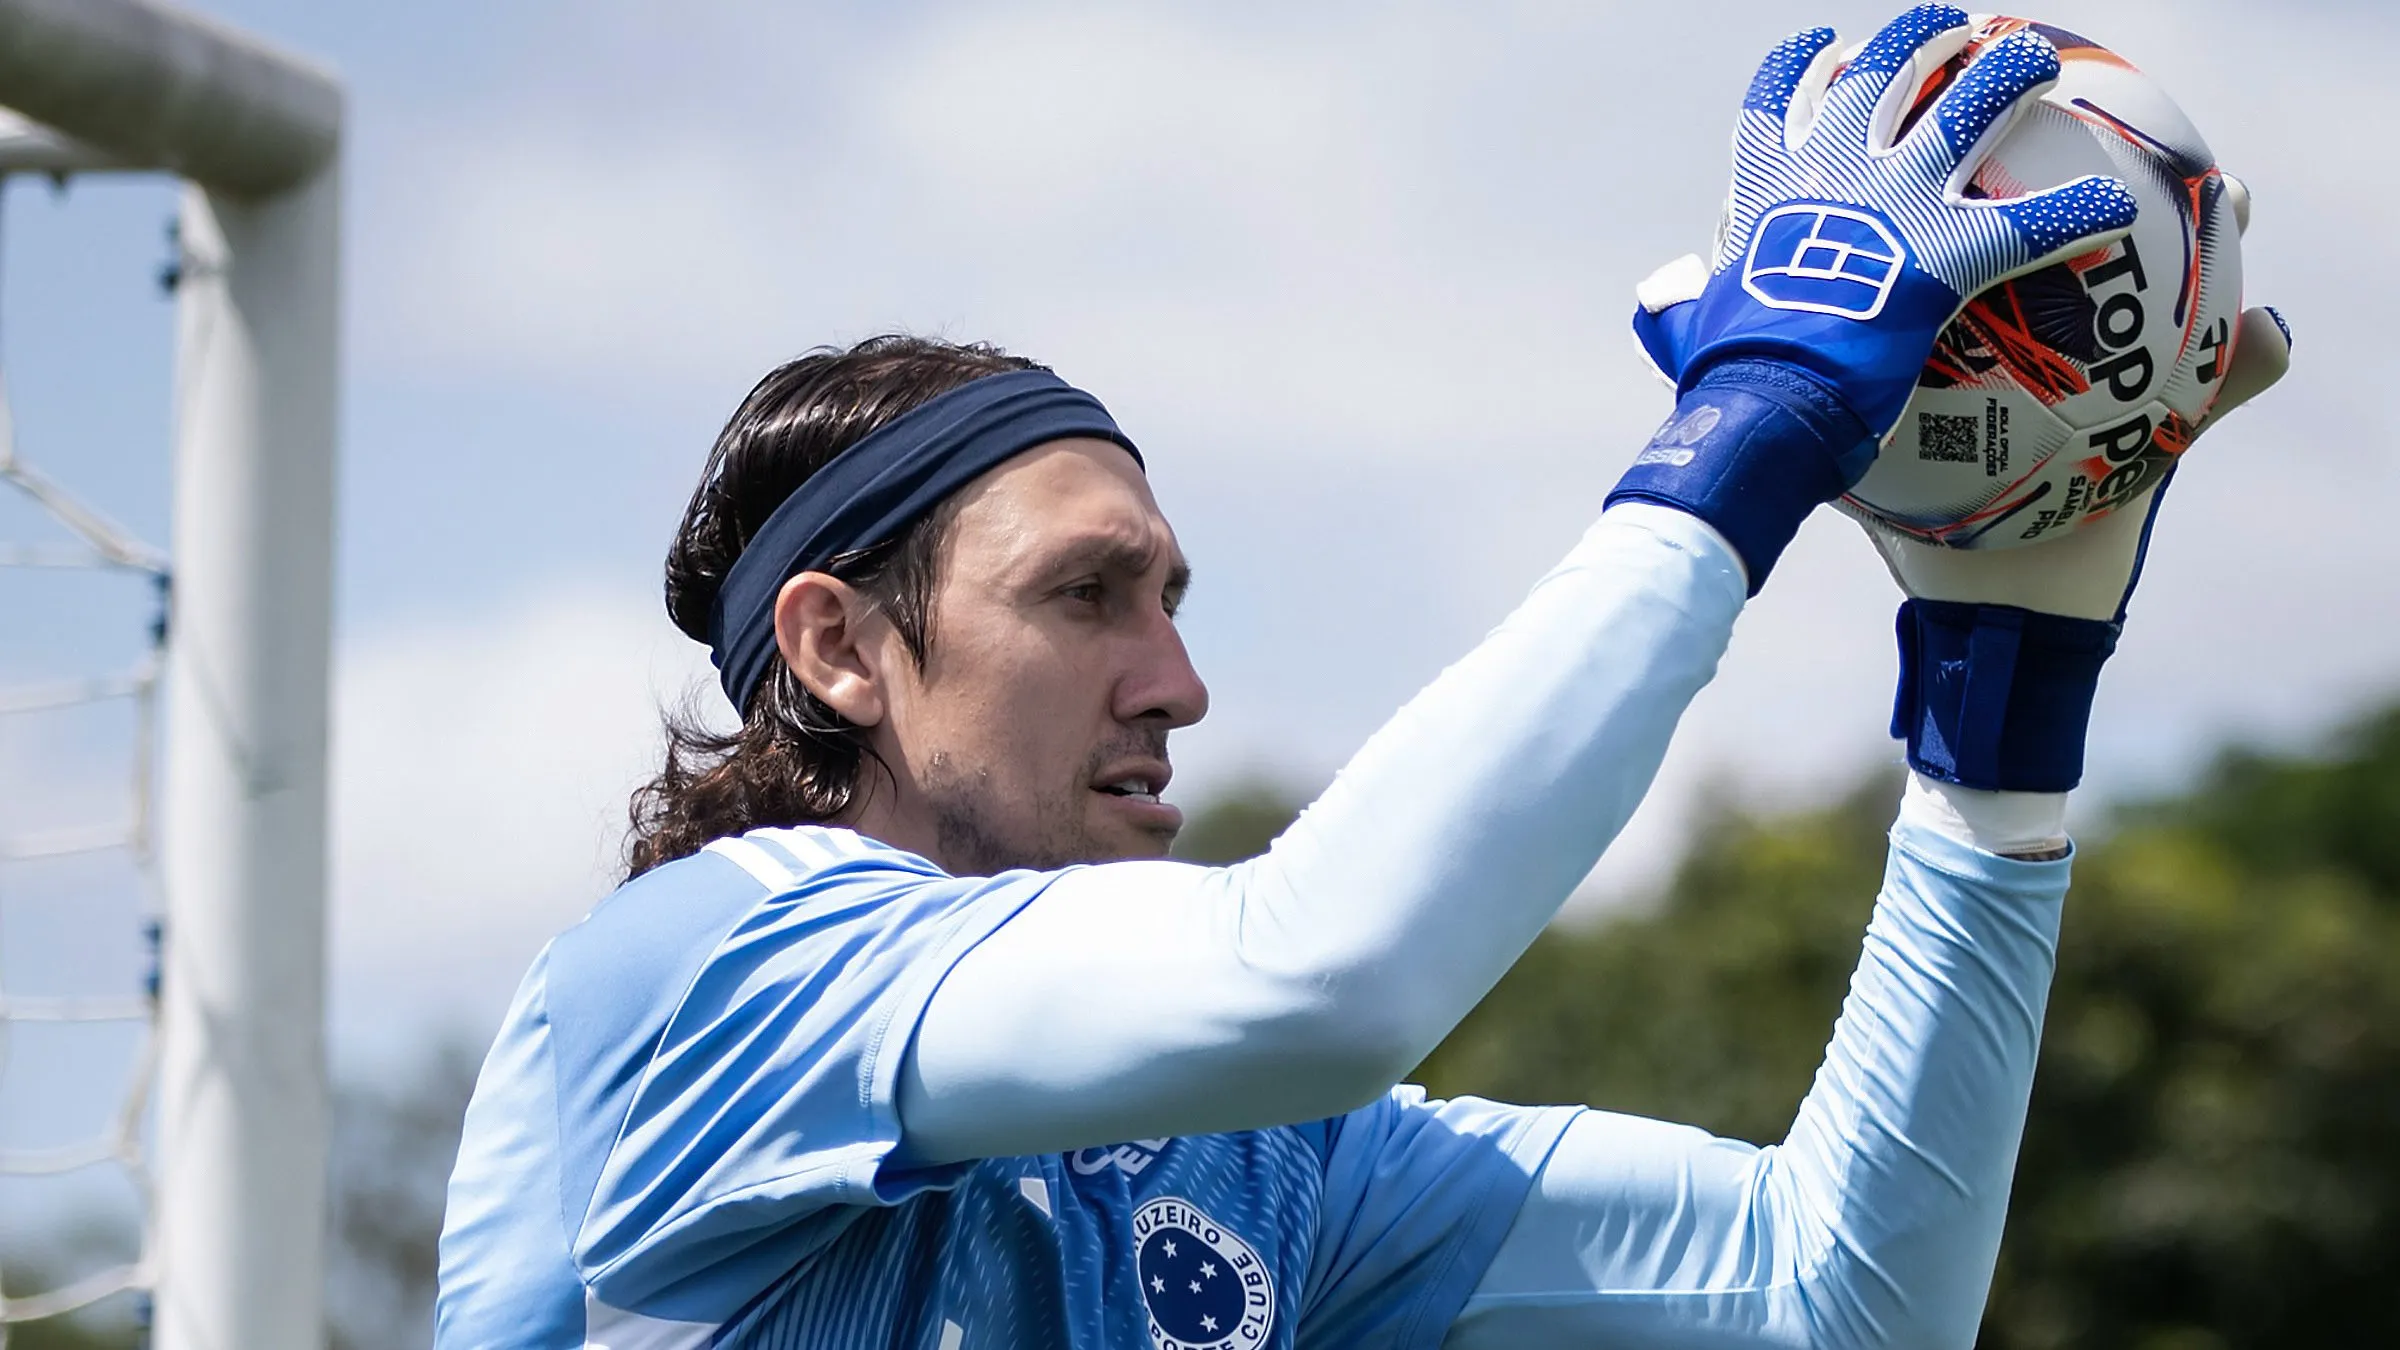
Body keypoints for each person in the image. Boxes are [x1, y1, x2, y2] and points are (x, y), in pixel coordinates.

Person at [434, 7, 2290, 1347]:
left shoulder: (1251, 1159)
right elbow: (1314, 975)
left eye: (1173, 596)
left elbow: (1843, 1299)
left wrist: (2003, 719)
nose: (1177, 680)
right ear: (839, 647)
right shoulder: (706, 976)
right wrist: (1754, 432)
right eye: (1086, 597)